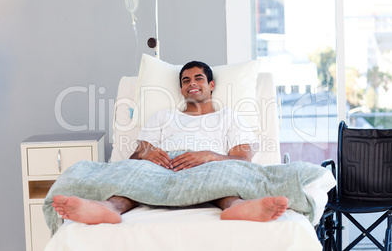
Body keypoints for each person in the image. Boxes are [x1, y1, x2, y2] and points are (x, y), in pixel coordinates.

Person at [52, 61, 289, 225]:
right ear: (181, 88)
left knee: (222, 177)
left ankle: (235, 206)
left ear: (211, 85)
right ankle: (110, 208)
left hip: (209, 170)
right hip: (162, 172)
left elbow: (243, 161)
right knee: (132, 173)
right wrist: (147, 155)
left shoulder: (229, 117)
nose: (192, 83)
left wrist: (209, 157)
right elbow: (134, 159)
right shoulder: (163, 117)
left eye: (198, 78)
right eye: (186, 80)